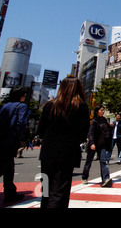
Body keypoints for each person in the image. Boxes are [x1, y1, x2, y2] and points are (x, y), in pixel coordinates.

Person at [37, 77, 90, 208]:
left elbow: (40, 130)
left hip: (47, 151)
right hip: (67, 151)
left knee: (46, 190)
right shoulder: (80, 105)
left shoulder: (49, 105)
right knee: (60, 190)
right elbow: (83, 132)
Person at [81, 105, 113, 187]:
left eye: (103, 110)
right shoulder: (94, 121)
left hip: (101, 144)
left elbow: (107, 129)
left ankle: (105, 178)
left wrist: (110, 126)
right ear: (97, 111)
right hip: (93, 144)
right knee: (89, 161)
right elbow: (90, 133)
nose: (103, 111)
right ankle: (84, 177)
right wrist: (91, 143)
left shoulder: (104, 120)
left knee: (103, 161)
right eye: (101, 110)